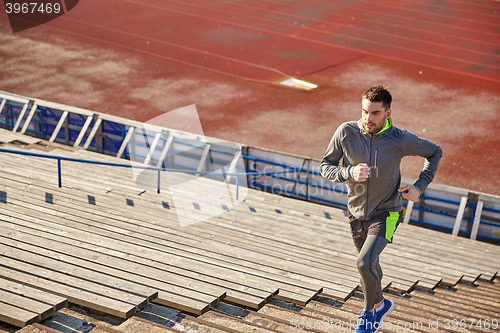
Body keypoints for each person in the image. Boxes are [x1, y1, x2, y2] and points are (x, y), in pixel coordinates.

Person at [320, 85, 442, 333]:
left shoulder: (399, 139)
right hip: (355, 214)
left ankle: (369, 314)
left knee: (364, 263)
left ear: (387, 113)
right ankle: (382, 304)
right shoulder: (346, 132)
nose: (368, 118)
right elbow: (325, 166)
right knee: (370, 266)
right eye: (365, 111)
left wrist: (420, 186)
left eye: (375, 113)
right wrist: (348, 173)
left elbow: (434, 152)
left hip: (387, 212)